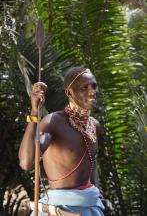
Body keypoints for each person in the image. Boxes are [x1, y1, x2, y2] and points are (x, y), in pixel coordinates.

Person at [18, 66, 111, 216]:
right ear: (69, 92)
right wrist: (34, 112)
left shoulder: (94, 125)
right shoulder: (53, 122)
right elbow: (26, 163)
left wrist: (98, 196)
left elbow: (92, 163)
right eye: (84, 87)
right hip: (62, 209)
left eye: (94, 86)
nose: (92, 91)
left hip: (91, 206)